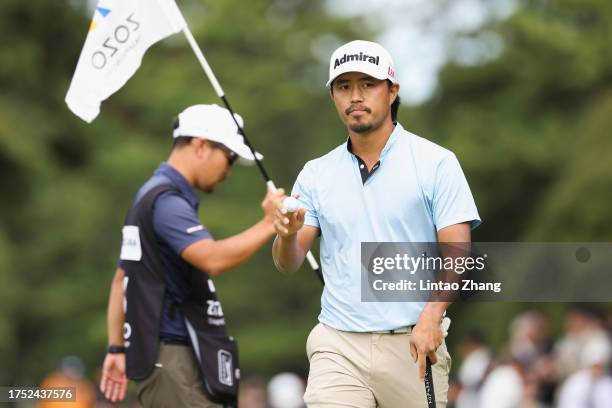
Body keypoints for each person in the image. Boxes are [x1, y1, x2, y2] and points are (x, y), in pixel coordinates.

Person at [271, 40, 481, 407]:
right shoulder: (316, 173)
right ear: (333, 96)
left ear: (392, 91)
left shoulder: (436, 162)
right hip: (337, 345)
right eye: (343, 86)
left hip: (413, 342)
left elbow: (458, 248)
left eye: (367, 84)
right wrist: (286, 236)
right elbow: (287, 262)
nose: (355, 96)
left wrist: (433, 313)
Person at [99, 104, 281, 408]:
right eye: (229, 157)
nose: (229, 169)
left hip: (168, 356)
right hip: (173, 357)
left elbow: (121, 278)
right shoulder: (167, 201)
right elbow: (212, 259)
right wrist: (269, 224)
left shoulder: (151, 194)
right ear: (200, 146)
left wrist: (117, 348)